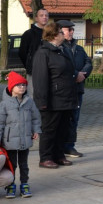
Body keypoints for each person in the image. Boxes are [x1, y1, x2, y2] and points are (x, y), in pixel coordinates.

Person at [31, 21, 77, 168]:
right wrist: (42, 101)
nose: (64, 34)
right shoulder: (43, 53)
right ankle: (45, 157)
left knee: (62, 129)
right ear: (54, 35)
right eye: (61, 32)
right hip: (52, 100)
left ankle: (59, 155)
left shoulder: (62, 50)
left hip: (65, 98)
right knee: (49, 130)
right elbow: (40, 79)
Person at [0, 72, 41, 198]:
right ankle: (11, 185)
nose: (22, 87)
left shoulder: (29, 102)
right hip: (10, 142)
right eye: (18, 85)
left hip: (25, 140)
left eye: (24, 85)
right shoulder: (4, 104)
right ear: (11, 87)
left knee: (24, 164)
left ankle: (25, 184)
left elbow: (35, 118)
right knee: (12, 164)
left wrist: (36, 130)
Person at [57, 20, 92, 158]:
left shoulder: (78, 48)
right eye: (68, 30)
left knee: (74, 118)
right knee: (63, 119)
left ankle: (70, 146)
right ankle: (60, 146)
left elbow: (88, 62)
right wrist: (75, 74)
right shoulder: (58, 48)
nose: (71, 32)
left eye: (72, 30)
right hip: (64, 90)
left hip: (78, 89)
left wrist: (83, 74)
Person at [18, 8, 49, 95]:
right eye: (41, 15)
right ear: (36, 18)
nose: (44, 17)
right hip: (33, 71)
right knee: (33, 96)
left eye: (46, 15)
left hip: (49, 70)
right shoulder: (29, 34)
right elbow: (22, 53)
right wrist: (29, 65)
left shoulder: (51, 33)